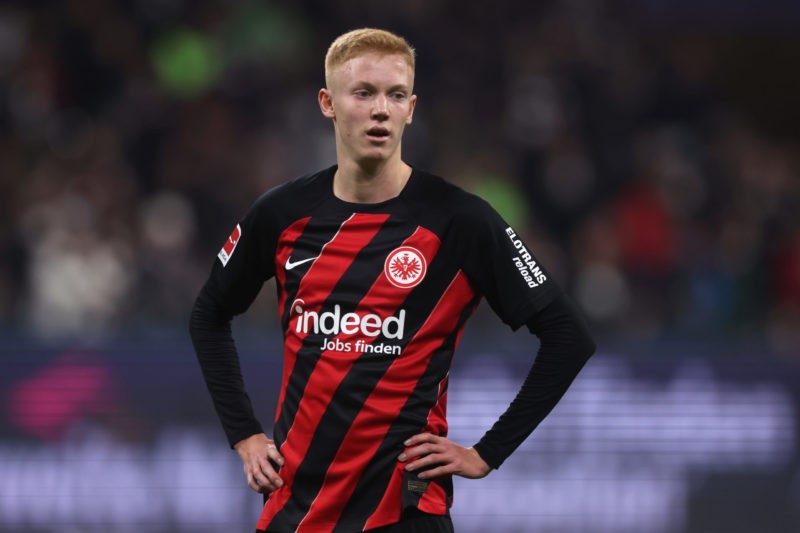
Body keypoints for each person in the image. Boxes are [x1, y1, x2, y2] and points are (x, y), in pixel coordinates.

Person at [189, 27, 595, 533]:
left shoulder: (459, 221)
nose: (380, 109)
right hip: (295, 510)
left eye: (395, 95)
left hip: (404, 513)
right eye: (363, 93)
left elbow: (568, 337)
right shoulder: (282, 214)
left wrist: (487, 453)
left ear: (411, 107)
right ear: (327, 103)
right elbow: (209, 315)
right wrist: (244, 434)